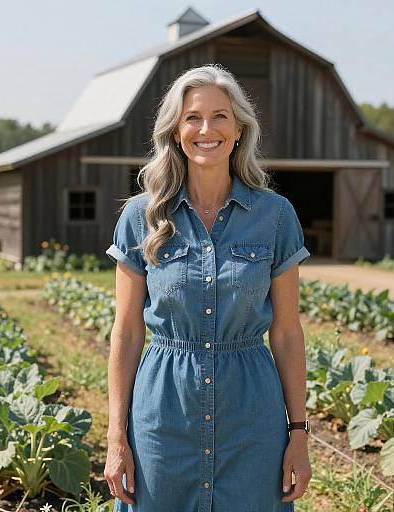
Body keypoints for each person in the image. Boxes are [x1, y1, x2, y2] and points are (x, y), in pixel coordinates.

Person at [104, 63, 312, 512]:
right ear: (175, 131)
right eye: (193, 117)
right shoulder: (141, 217)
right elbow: (127, 333)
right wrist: (115, 436)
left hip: (253, 415)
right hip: (163, 413)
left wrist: (299, 433)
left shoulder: (275, 216)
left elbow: (288, 333)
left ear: (239, 129)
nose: (206, 129)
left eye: (220, 116)